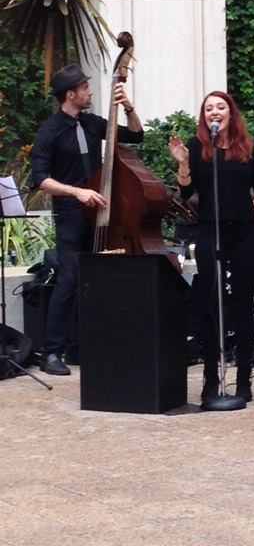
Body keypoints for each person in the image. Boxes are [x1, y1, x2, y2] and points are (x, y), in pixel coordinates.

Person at [168, 91, 254, 403]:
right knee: (209, 303)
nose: (214, 112)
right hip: (209, 231)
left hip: (243, 233)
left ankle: (243, 377)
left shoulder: (248, 147)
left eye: (220, 107)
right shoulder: (197, 146)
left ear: (230, 113)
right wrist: (183, 164)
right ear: (204, 116)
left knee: (242, 304)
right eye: (209, 109)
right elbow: (186, 192)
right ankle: (211, 377)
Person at [31, 64, 144, 375]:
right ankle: (51, 352)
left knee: (98, 276)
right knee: (69, 278)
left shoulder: (93, 123)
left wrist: (128, 107)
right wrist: (77, 192)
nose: (90, 92)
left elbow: (136, 135)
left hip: (101, 211)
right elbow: (40, 179)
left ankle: (82, 346)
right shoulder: (49, 131)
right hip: (70, 214)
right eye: (84, 88)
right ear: (71, 94)